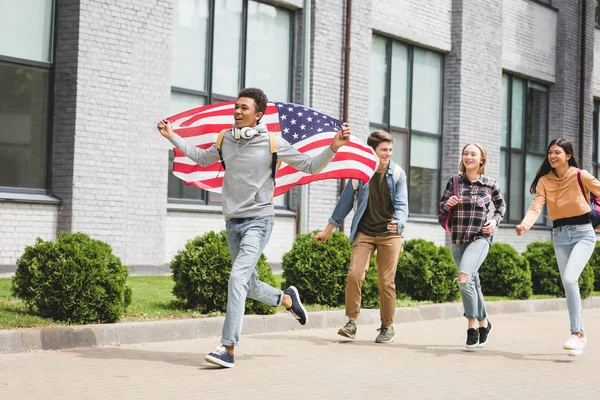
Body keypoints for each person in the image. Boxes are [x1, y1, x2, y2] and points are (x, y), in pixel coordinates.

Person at [157, 87, 351, 368]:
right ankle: (286, 298)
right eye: (236, 107)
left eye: (244, 108)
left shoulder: (273, 142)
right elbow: (201, 159)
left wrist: (334, 146)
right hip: (232, 220)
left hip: (259, 220)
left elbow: (310, 166)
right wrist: (172, 136)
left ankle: (228, 348)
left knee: (236, 279)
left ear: (258, 115)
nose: (237, 111)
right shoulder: (225, 139)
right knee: (248, 284)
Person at [314, 130, 408, 343]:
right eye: (384, 150)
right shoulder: (361, 173)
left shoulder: (398, 174)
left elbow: (402, 205)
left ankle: (387, 326)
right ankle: (351, 322)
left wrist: (399, 222)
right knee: (355, 275)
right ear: (372, 150)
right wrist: (327, 231)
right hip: (364, 232)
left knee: (386, 282)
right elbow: (344, 204)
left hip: (390, 235)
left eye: (390, 150)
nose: (388, 154)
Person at [516, 137, 600, 356]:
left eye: (557, 153)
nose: (552, 156)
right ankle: (580, 333)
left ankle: (576, 334)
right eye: (550, 152)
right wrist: (525, 225)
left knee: (570, 279)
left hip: (583, 234)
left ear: (568, 156)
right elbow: (536, 207)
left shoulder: (581, 176)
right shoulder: (545, 181)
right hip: (560, 236)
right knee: (568, 283)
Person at [438, 143, 505, 350]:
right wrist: (448, 204)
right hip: (458, 238)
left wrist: (494, 221)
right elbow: (441, 206)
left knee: (464, 278)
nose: (468, 157)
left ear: (481, 159)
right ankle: (485, 323)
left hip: (480, 238)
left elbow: (500, 207)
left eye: (473, 154)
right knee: (472, 282)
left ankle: (472, 324)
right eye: (466, 154)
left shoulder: (490, 183)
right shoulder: (455, 181)